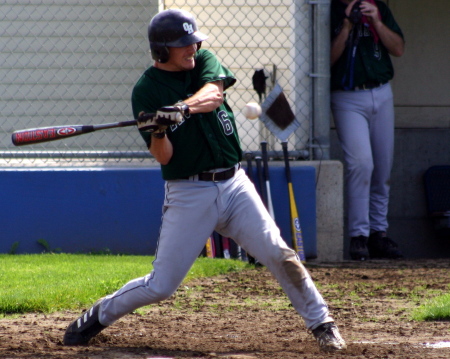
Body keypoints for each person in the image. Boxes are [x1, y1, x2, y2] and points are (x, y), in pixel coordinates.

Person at [63, 8, 346, 352]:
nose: (192, 49)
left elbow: (213, 95)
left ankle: (322, 323)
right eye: (183, 45)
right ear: (162, 50)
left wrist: (181, 108)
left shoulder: (204, 61)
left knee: (279, 253)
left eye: (193, 41)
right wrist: (158, 130)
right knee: (161, 286)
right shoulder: (146, 92)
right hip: (189, 192)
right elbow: (163, 156)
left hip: (234, 185)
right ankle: (96, 316)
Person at [330, 0, 405, 260]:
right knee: (361, 164)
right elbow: (326, 59)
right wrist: (348, 25)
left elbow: (398, 48)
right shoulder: (330, 10)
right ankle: (358, 235)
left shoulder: (377, 6)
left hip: (381, 91)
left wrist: (377, 22)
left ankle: (378, 234)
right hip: (347, 96)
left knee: (383, 166)